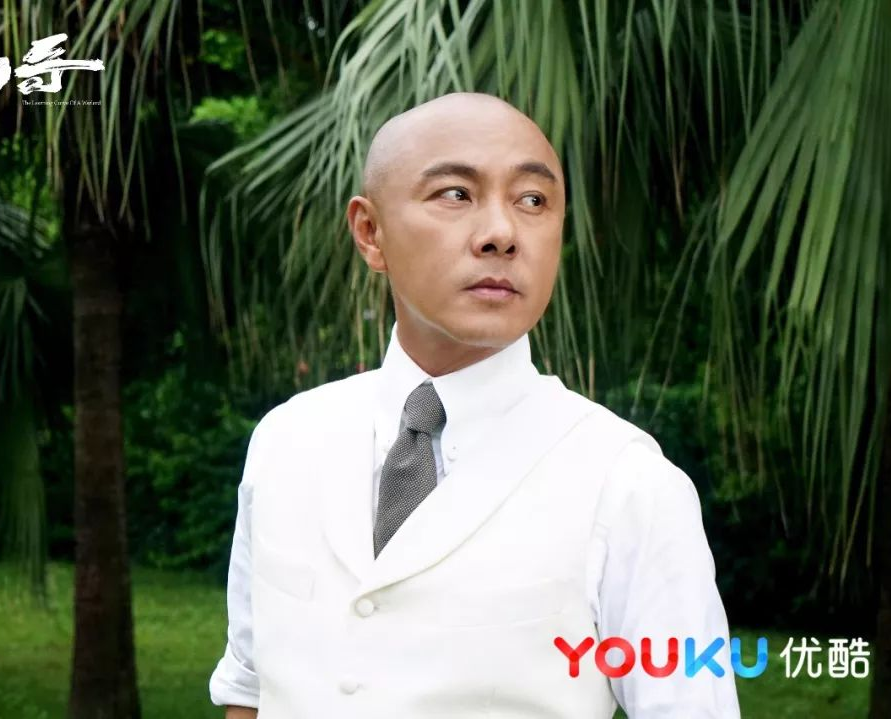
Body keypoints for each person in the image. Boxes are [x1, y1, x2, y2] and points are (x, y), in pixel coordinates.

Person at [209, 92, 741, 718]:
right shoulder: (286, 440)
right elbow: (249, 688)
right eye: (456, 194)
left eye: (532, 200)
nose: (501, 234)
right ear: (371, 233)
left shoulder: (628, 484)